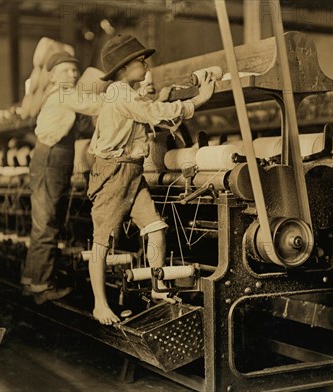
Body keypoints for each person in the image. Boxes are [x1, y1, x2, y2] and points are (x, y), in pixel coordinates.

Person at [87, 34, 215, 325]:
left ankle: (158, 289)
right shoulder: (120, 93)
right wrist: (198, 100)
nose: (146, 66)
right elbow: (153, 113)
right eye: (140, 61)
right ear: (122, 69)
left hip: (131, 171)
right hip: (113, 172)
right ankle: (99, 305)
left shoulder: (127, 93)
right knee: (102, 241)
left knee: (156, 227)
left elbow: (149, 111)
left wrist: (163, 97)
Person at [21, 52, 102, 305]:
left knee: (45, 221)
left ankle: (32, 279)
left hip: (54, 159)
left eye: (74, 70)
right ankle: (42, 287)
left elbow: (84, 126)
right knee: (47, 223)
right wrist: (126, 96)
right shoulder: (65, 94)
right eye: (66, 70)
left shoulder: (62, 97)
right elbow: (95, 106)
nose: (73, 74)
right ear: (53, 76)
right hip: (51, 160)